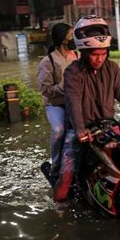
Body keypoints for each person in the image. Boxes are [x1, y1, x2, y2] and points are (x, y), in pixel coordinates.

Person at [52, 15, 120, 202]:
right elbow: (73, 104)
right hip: (82, 130)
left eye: (103, 54)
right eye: (95, 55)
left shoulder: (113, 69)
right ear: (84, 52)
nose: (99, 59)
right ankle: (58, 213)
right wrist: (80, 130)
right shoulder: (73, 72)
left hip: (107, 127)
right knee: (65, 180)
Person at [37, 23, 78, 179]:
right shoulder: (48, 62)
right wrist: (63, 86)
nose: (73, 38)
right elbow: (45, 90)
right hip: (56, 105)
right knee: (59, 130)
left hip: (75, 104)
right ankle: (55, 165)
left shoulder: (77, 56)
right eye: (71, 35)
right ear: (63, 39)